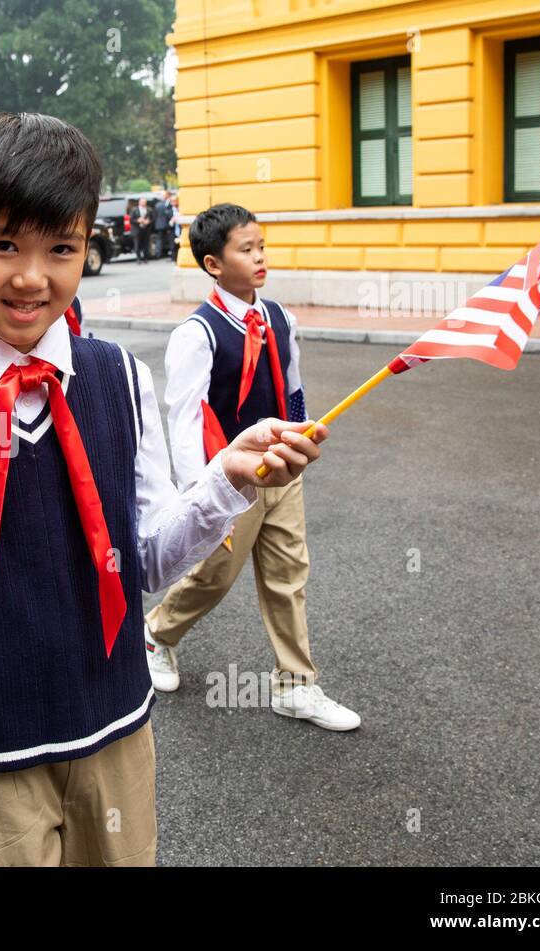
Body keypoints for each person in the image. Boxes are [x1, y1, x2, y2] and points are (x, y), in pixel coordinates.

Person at [0, 112, 328, 866]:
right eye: (4, 245)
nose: (31, 277)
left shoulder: (117, 377)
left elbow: (145, 559)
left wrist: (223, 482)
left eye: (62, 249)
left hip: (112, 726)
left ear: (86, 248)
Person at [144, 203, 360, 731]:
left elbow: (292, 384)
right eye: (247, 249)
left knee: (289, 574)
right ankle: (157, 635)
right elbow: (187, 415)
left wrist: (302, 433)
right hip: (233, 478)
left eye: (261, 246)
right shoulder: (197, 334)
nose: (260, 257)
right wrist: (200, 491)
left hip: (282, 470)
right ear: (214, 264)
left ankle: (296, 686)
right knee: (213, 576)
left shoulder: (279, 317)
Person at [155, 192, 176, 262]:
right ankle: (161, 254)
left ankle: (158, 254)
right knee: (168, 239)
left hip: (162, 225)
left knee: (161, 239)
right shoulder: (167, 204)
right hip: (167, 224)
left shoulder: (158, 204)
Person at [133, 196, 152, 263]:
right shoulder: (134, 210)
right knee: (137, 244)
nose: (144, 203)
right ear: (139, 202)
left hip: (146, 229)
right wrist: (138, 220)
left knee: (146, 244)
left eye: (145, 202)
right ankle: (138, 258)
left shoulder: (149, 209)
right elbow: (131, 219)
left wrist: (148, 221)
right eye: (142, 202)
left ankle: (145, 258)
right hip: (137, 229)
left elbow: (152, 218)